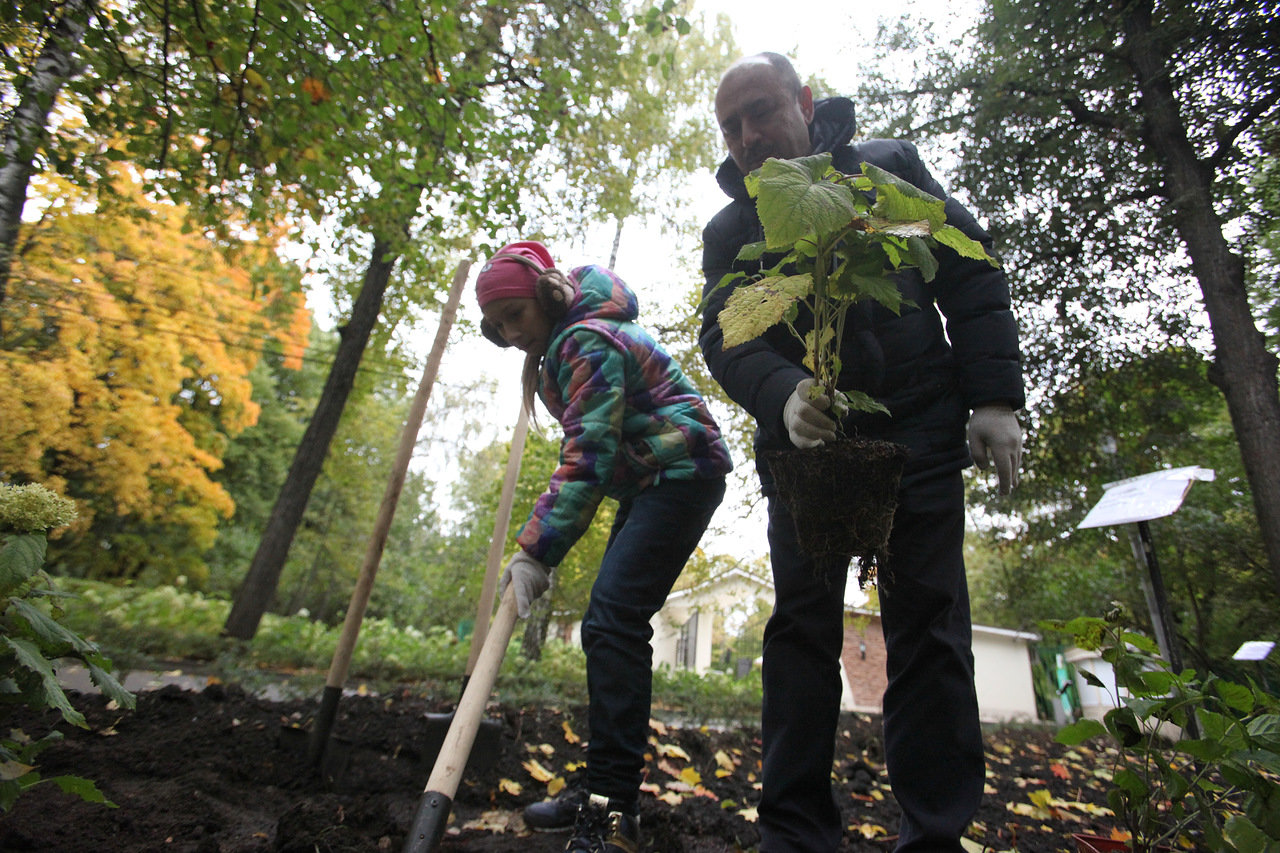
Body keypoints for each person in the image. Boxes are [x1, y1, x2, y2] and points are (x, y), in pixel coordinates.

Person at [698, 54, 1025, 853]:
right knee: (802, 631)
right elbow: (724, 335)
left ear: (807, 103)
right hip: (805, 452)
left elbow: (970, 268)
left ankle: (936, 833)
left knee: (930, 627)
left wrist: (993, 398)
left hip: (915, 429)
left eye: (763, 110)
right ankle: (795, 832)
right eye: (731, 126)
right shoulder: (732, 229)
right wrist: (781, 393)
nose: (747, 136)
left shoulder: (887, 172)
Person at [476, 240, 733, 852]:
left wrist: (536, 550)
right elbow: (593, 453)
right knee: (607, 623)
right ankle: (602, 789)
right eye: (498, 324)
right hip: (653, 476)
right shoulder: (565, 342)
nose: (511, 332)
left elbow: (587, 457)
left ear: (544, 295)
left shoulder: (584, 339)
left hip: (681, 472)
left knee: (614, 619)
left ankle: (612, 808)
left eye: (516, 314)